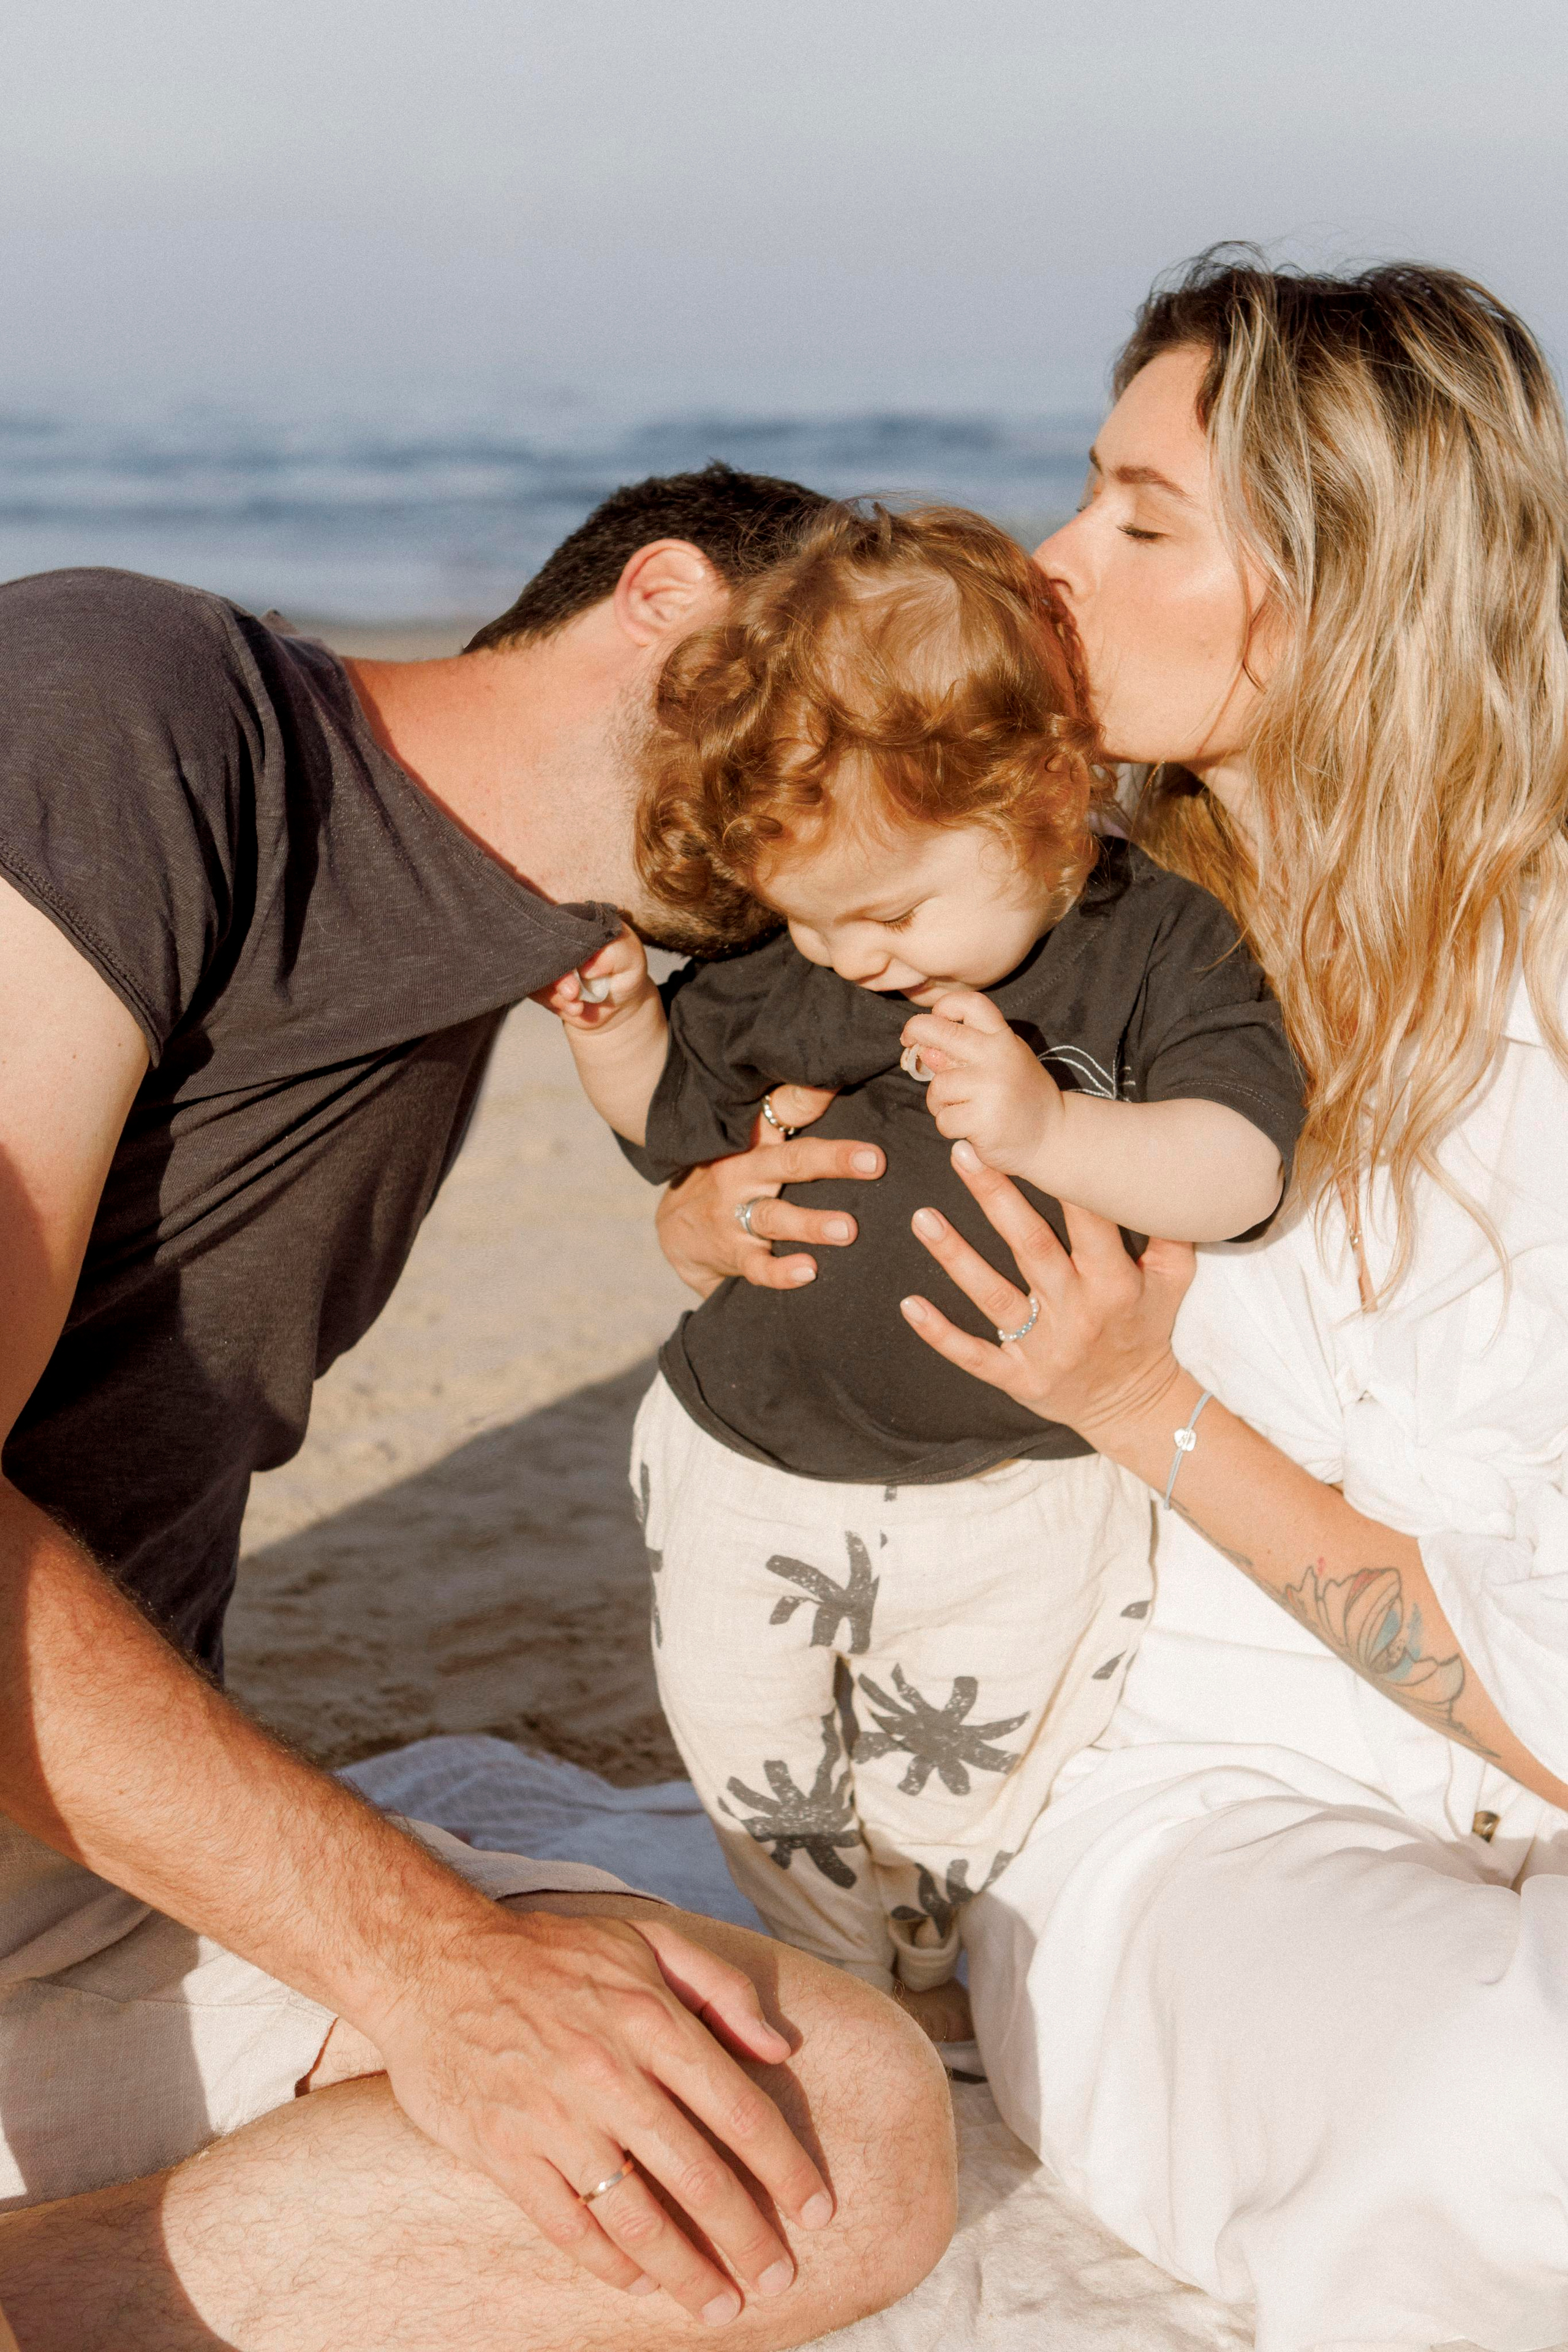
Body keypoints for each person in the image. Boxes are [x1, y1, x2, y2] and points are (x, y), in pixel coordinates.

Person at [0, 466, 957, 2347]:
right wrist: (425, 1959)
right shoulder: (140, 707)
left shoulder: (512, 975)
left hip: (60, 1879)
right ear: (671, 601)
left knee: (817, 2136)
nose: (898, 810)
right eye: (889, 726)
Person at [882, 255, 1568, 2348]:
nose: (1050, 561)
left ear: (1353, 587)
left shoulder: (1535, 957)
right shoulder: (1067, 943)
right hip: (1194, 1815)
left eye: (1142, 522)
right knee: (1516, 2108)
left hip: (1520, 1762)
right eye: (1087, 494)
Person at [541, 502, 1300, 2043]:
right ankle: (831, 1973)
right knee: (752, 1749)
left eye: (884, 916)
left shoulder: (1154, 948)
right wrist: (613, 1028)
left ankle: (928, 1953)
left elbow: (1239, 1167)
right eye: (813, 927)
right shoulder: (815, 944)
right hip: (749, 1450)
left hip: (1016, 1481)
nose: (850, 962)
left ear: (1041, 798)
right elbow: (668, 1127)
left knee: (963, 1766)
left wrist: (1053, 1126)